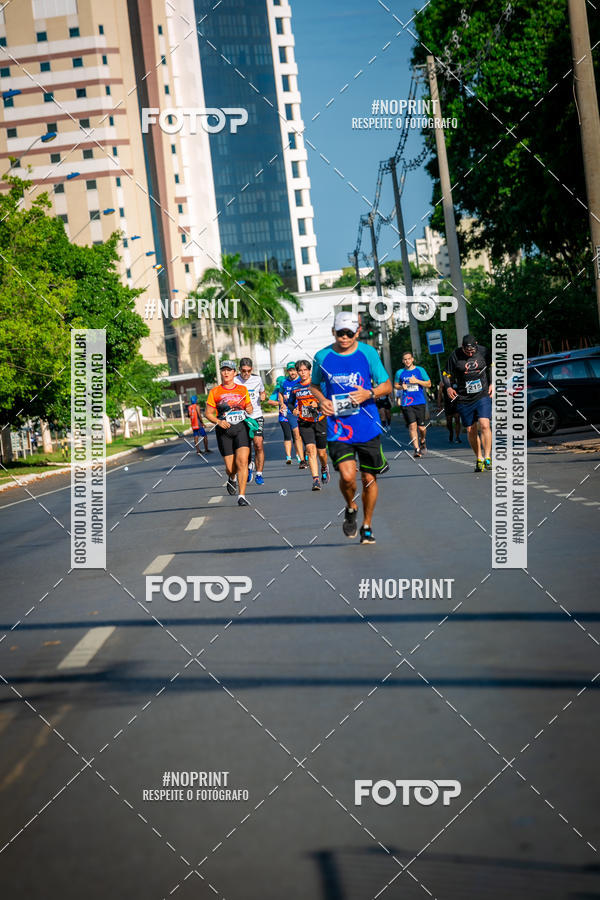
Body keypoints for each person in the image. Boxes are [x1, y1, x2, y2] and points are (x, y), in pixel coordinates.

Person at [310, 311, 391, 544]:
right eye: (340, 333)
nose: (344, 337)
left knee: (368, 479)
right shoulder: (322, 356)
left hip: (367, 425)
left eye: (349, 333)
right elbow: (314, 385)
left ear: (358, 332)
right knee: (347, 477)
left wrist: (369, 393)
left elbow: (387, 385)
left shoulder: (368, 353)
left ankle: (367, 525)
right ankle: (351, 506)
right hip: (338, 427)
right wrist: (321, 400)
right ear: (333, 332)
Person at [204, 360, 254, 506]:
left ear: (234, 373)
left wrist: (249, 408)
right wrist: (218, 422)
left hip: (241, 428)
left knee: (242, 462)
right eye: (223, 370)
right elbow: (208, 413)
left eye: (229, 370)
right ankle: (232, 477)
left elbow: (249, 407)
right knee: (231, 468)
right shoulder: (215, 392)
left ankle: (242, 496)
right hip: (224, 430)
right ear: (221, 372)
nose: (226, 373)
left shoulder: (242, 390)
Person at [443, 334, 493, 472]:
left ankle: (488, 457)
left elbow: (492, 366)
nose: (470, 354)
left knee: (484, 424)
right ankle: (479, 458)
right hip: (464, 398)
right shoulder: (455, 355)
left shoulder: (483, 351)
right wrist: (448, 387)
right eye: (467, 351)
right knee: (471, 429)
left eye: (472, 351)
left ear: (476, 344)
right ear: (462, 347)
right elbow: (446, 374)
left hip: (482, 394)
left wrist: (492, 383)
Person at [289, 360, 330, 490]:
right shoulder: (295, 388)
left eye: (305, 370)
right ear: (297, 372)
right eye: (300, 371)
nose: (303, 373)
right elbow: (289, 403)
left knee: (321, 453)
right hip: (304, 421)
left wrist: (318, 404)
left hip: (320, 420)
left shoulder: (318, 385)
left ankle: (324, 467)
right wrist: (293, 410)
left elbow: (328, 400)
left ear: (309, 371)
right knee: (310, 450)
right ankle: (315, 480)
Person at [234, 358, 266, 485]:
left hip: (256, 415)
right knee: (244, 447)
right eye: (243, 371)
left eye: (249, 371)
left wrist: (263, 396)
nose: (246, 373)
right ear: (239, 369)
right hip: (241, 417)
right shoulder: (234, 381)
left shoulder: (257, 379)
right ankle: (248, 466)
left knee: (258, 444)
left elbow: (262, 392)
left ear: (252, 369)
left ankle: (259, 474)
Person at [394, 351, 431, 458]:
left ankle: (422, 440)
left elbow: (429, 384)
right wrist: (402, 387)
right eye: (405, 359)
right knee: (412, 426)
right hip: (407, 403)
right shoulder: (399, 372)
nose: (407, 361)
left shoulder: (420, 370)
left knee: (421, 427)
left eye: (409, 359)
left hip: (419, 402)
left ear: (412, 359)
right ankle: (416, 449)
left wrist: (417, 381)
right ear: (403, 361)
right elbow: (396, 385)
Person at [278, 361, 305, 467]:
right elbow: (280, 393)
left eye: (294, 370)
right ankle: (301, 459)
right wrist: (282, 404)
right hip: (290, 411)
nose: (292, 372)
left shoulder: (301, 380)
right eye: (290, 370)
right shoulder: (284, 382)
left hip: (303, 411)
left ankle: (306, 453)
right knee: (296, 433)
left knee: (304, 434)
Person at [437, 379, 462, 444]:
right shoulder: (442, 383)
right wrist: (439, 405)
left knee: (457, 420)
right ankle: (451, 432)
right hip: (447, 405)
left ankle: (457, 437)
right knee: (449, 423)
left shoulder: (456, 380)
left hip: (456, 404)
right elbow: (439, 394)